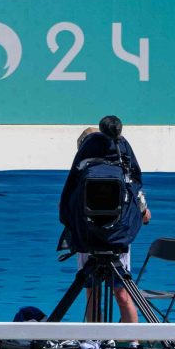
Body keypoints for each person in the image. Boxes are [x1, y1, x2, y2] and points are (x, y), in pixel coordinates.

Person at [58, 116, 152, 321]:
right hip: (89, 240)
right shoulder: (84, 177)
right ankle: (95, 344)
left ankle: (133, 344)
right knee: (94, 295)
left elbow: (144, 212)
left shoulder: (121, 174)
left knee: (122, 294)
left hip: (113, 240)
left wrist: (141, 210)